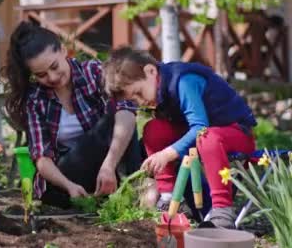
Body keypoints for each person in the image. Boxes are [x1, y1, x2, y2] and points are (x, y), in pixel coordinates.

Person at [102, 47, 256, 229]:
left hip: (236, 133)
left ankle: (222, 209)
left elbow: (200, 127)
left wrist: (167, 153)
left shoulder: (184, 81)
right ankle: (170, 197)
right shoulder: (160, 90)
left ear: (150, 71)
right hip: (206, 136)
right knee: (153, 129)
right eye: (134, 100)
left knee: (207, 137)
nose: (141, 102)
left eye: (139, 93)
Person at [1, 21, 141, 208]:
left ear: (64, 51)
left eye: (54, 66)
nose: (51, 77)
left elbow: (127, 111)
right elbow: (42, 158)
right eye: (41, 75)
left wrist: (109, 165)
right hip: (67, 178)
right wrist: (69, 186)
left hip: (108, 165)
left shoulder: (93, 72)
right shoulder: (36, 99)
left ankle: (135, 189)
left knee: (117, 116)